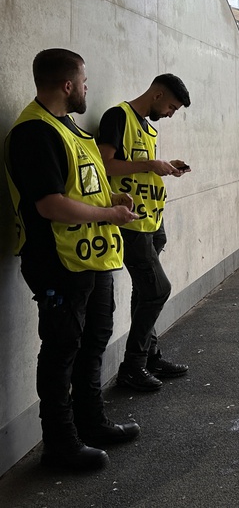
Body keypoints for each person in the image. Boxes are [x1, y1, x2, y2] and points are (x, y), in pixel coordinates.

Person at [5, 48, 140, 471]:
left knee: (93, 340)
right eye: (83, 81)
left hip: (90, 261)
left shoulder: (67, 127)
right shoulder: (33, 132)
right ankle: (59, 444)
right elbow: (50, 205)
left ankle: (91, 422)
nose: (87, 89)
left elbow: (78, 188)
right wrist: (110, 214)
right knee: (62, 350)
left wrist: (110, 198)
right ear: (67, 85)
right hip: (57, 264)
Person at [97, 73, 192, 393]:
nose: (170, 113)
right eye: (171, 106)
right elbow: (106, 165)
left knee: (146, 291)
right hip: (131, 223)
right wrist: (152, 165)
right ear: (157, 94)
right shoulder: (117, 116)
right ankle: (134, 365)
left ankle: (149, 356)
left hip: (151, 221)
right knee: (156, 290)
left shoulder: (146, 125)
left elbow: (138, 164)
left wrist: (165, 165)